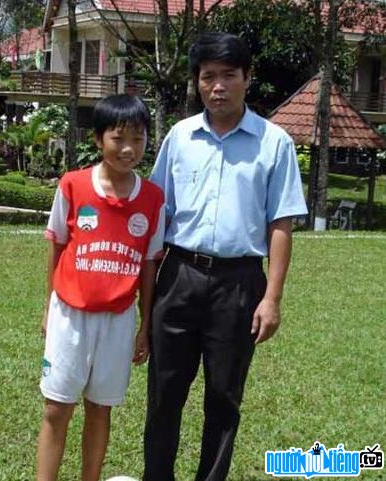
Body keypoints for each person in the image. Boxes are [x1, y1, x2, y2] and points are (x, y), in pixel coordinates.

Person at [143, 32, 308, 481]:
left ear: (247, 79)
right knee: (163, 393)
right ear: (197, 82)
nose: (218, 86)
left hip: (239, 284)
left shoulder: (274, 144)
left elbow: (281, 224)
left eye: (228, 76)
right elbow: (159, 214)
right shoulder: (180, 137)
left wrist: (271, 298)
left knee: (223, 396)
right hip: (178, 275)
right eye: (207, 76)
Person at [36, 94, 165, 481]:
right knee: (57, 408)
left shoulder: (153, 198)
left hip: (118, 320)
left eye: (138, 139)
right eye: (118, 138)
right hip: (70, 315)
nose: (128, 149)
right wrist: (48, 307)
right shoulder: (73, 185)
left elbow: (148, 265)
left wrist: (144, 325)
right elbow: (58, 245)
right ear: (97, 139)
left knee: (99, 407)